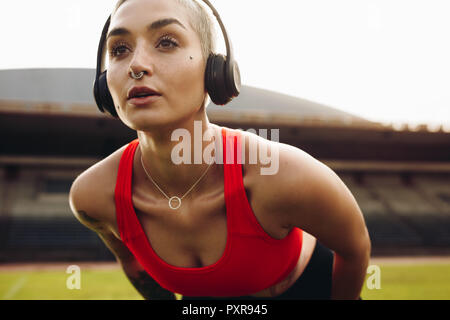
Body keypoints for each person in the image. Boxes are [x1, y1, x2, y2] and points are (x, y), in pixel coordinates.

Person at [69, 0, 371, 300]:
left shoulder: (281, 173)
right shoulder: (93, 196)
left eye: (166, 42)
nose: (136, 65)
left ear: (215, 70)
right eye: (120, 49)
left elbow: (355, 248)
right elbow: (132, 262)